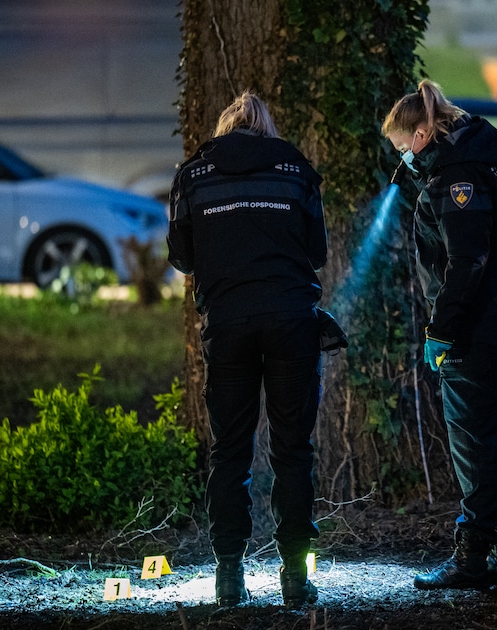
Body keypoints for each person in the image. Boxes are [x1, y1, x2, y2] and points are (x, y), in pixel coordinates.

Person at [168, 91, 326, 608]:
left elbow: (181, 258)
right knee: (292, 450)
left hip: (228, 323)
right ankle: (296, 578)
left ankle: (229, 577)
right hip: (290, 320)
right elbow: (318, 252)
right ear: (266, 128)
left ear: (224, 127)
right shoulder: (296, 170)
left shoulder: (192, 176)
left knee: (230, 451)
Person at [383, 80, 497, 590]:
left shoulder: (456, 174)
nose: (402, 158)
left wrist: (441, 330)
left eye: (402, 147)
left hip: (480, 319)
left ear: (421, 134)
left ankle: (472, 558)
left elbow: (466, 261)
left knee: (475, 444)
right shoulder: (478, 154)